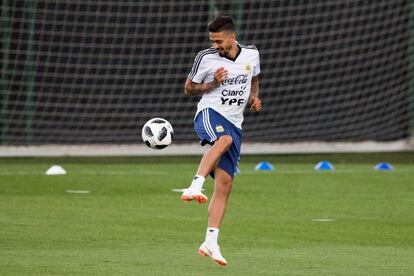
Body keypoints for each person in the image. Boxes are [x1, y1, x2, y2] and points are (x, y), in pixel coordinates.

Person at [181, 15, 261, 266]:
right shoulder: (205, 58)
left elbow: (254, 78)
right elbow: (188, 88)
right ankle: (195, 184)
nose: (214, 44)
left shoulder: (251, 54)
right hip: (210, 113)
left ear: (232, 38)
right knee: (223, 139)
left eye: (218, 40)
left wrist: (254, 98)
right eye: (212, 40)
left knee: (225, 185)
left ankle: (211, 241)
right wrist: (212, 83)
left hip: (236, 122)